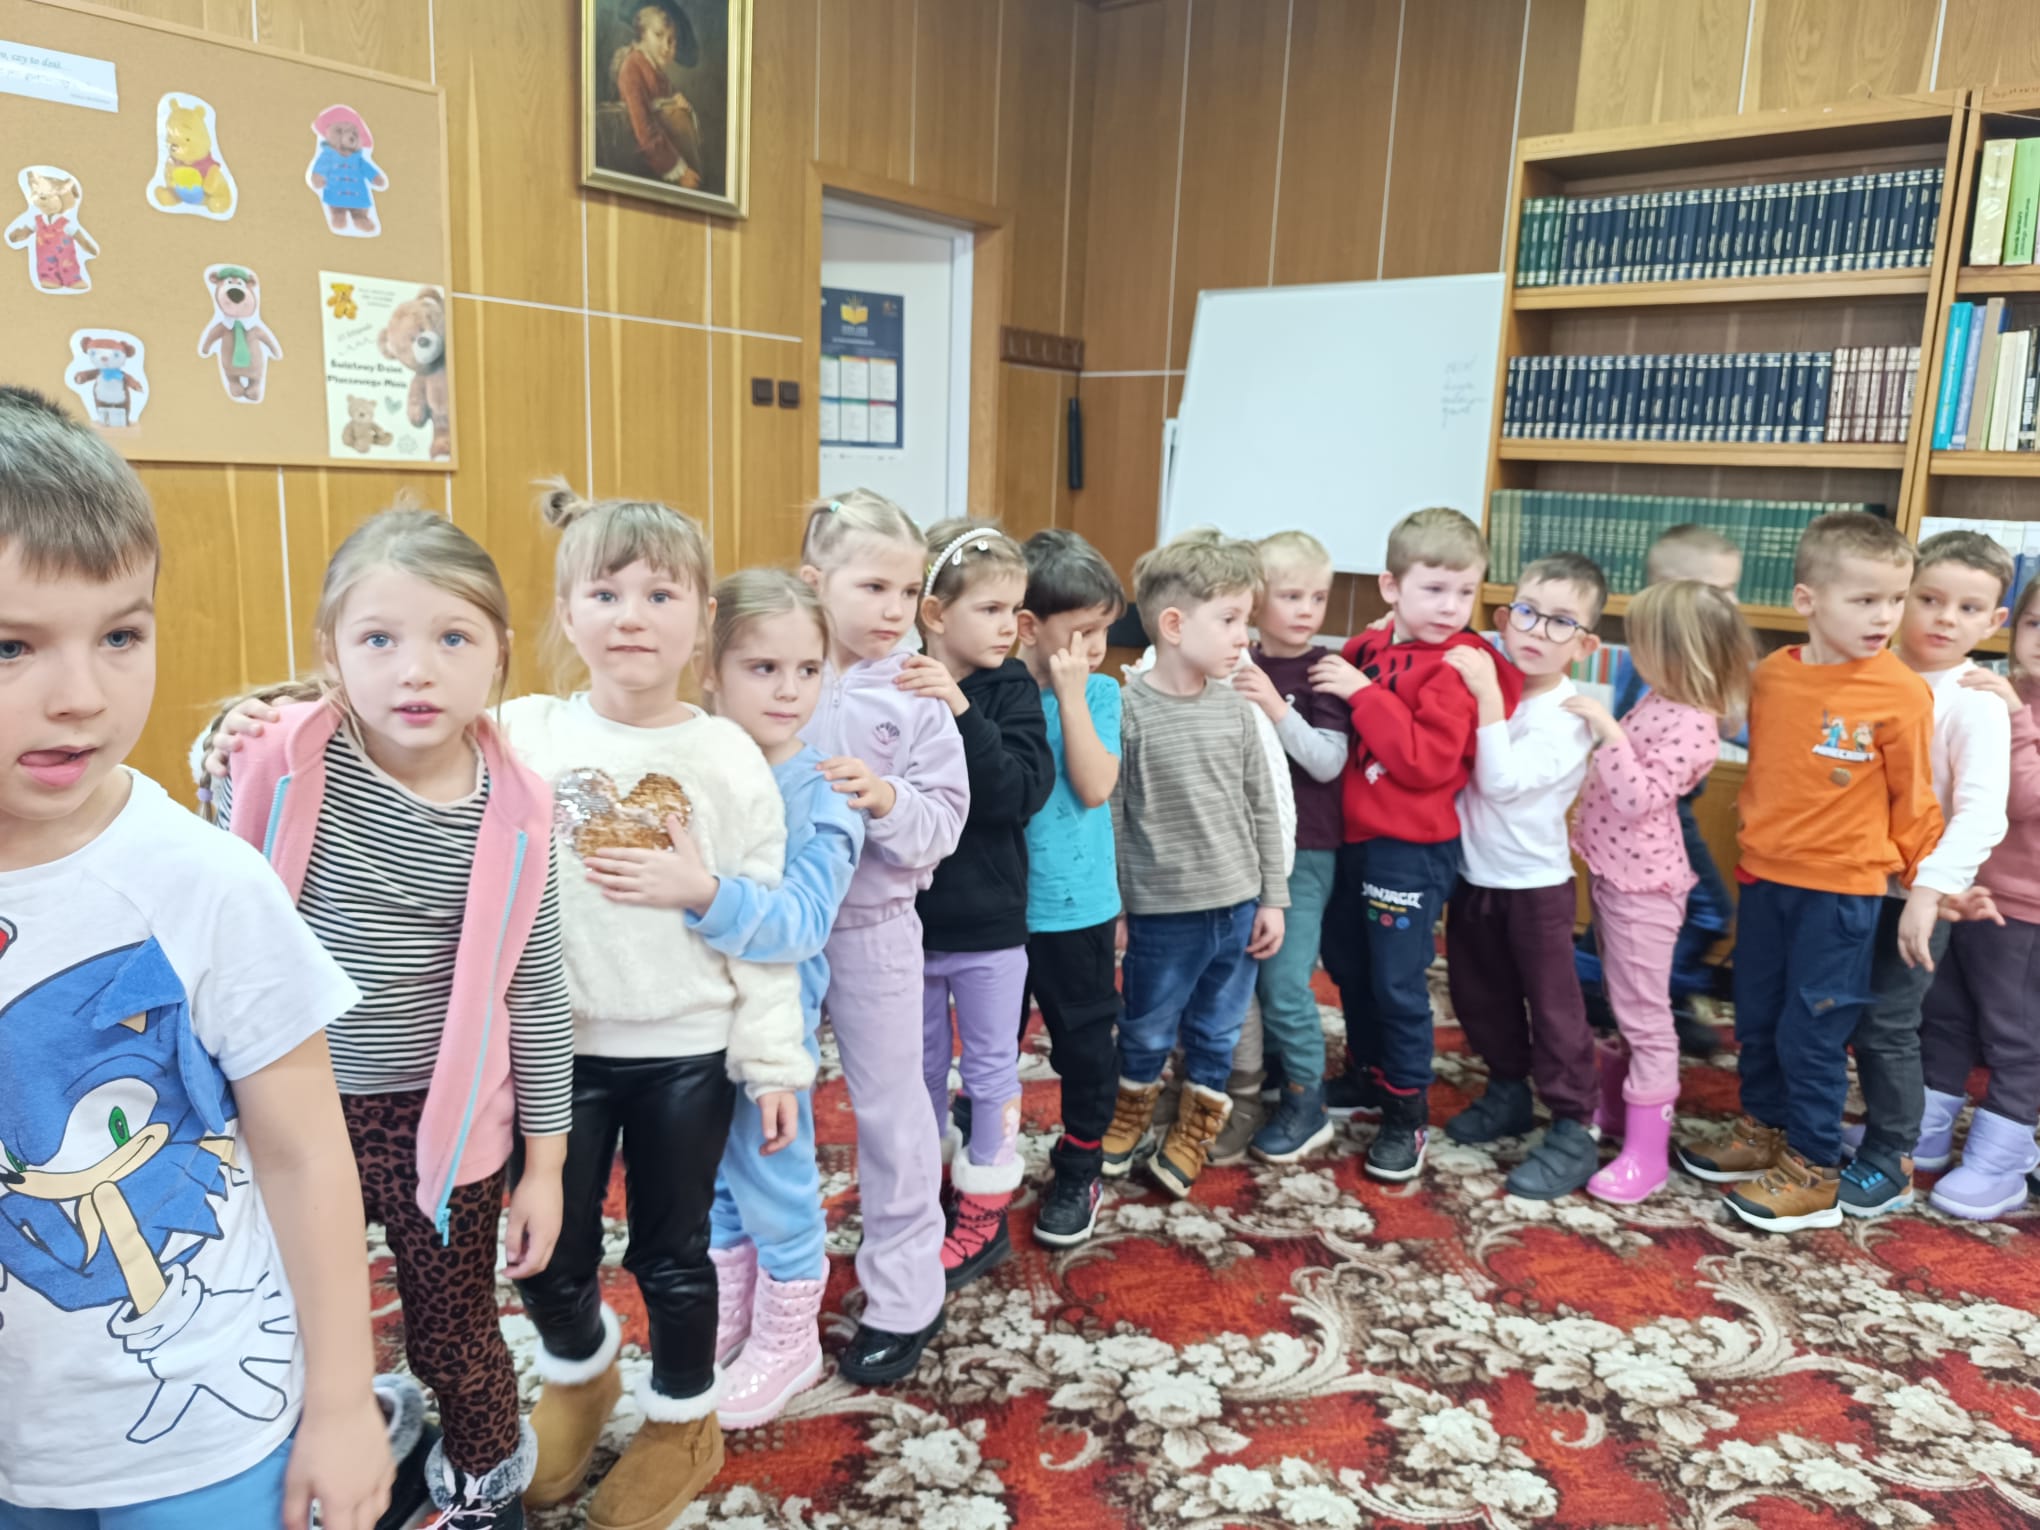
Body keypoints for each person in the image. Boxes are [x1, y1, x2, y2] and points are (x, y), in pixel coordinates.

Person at [0, 386, 390, 1530]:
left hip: (201, 1428)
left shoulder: (205, 884)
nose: (81, 698)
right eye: (9, 646)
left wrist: (342, 1405)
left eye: (121, 635)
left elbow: (305, 1157)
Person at [212, 509, 572, 1530]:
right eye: (378, 639)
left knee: (453, 1336)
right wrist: (222, 747)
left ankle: (486, 1489)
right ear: (330, 653)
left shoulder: (520, 811)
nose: (416, 670)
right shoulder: (281, 761)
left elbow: (539, 992)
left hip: (442, 1122)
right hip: (292, 1108)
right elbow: (208, 890)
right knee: (288, 1316)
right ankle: (333, 1455)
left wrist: (545, 1167)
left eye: (453, 637)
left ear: (500, 654)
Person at [499, 487, 806, 1529]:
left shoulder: (727, 757)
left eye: (660, 594)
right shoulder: (521, 733)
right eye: (605, 593)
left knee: (673, 1253)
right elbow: (399, 744)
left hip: (685, 1049)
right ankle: (579, 1374)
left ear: (702, 618)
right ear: (566, 611)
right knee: (549, 1247)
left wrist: (774, 1062)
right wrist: (259, 723)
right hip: (553, 1051)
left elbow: (762, 923)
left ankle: (683, 1419)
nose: (631, 615)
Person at [1677, 512, 1942, 1233]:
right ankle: (1763, 1128)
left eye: (1896, 599)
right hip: (1765, 881)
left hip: (1843, 894)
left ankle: (1815, 1169)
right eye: (1865, 600)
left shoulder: (1901, 692)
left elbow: (1915, 801)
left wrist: (1930, 887)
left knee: (1813, 1030)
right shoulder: (1772, 675)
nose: (1885, 616)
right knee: (1757, 1015)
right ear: (1807, 600)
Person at [672, 570, 863, 1426]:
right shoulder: (690, 761)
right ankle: (733, 1307)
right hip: (684, 1018)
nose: (790, 691)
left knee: (773, 1172)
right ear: (710, 669)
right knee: (712, 1171)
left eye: (808, 670)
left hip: (769, 1032)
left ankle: (791, 1338)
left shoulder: (825, 788)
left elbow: (801, 924)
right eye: (763, 668)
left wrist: (702, 892)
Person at [799, 490, 969, 1385]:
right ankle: (778, 1286)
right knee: (766, 1107)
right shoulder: (764, 672)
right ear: (813, 582)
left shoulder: (916, 694)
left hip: (876, 930)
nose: (895, 611)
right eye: (873, 587)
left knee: (893, 1112)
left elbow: (944, 822)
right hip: (774, 931)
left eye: (909, 592)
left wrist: (887, 798)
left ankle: (904, 1296)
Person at [1312, 507, 1524, 1181]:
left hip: (1410, 850)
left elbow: (1425, 763)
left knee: (1397, 982)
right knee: (1349, 966)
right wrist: (1368, 653)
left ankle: (1408, 1113)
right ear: (1391, 587)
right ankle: (1369, 1073)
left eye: (1465, 592)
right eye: (1433, 589)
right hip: (1352, 841)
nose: (1451, 607)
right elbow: (1358, 661)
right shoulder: (1373, 647)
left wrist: (1363, 693)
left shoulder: (1459, 667)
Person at [1100, 529, 1289, 1198]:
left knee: (1217, 1030)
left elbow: (1263, 809)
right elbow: (1113, 815)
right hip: (1161, 915)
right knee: (1146, 1026)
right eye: (1230, 620)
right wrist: (1117, 906)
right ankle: (1130, 1113)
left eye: (1246, 620)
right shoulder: (1126, 711)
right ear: (1175, 625)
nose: (1245, 637)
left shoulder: (1237, 712)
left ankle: (1195, 1127)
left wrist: (1273, 898)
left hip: (1236, 909)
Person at [1837, 531, 2013, 1218]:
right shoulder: (1864, 671)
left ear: (1994, 621)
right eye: (1930, 600)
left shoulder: (1974, 700)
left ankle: (1892, 1158)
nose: (1945, 619)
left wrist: (1929, 892)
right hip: (1840, 879)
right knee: (1828, 1012)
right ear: (1899, 599)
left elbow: (1980, 812)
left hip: (1914, 894)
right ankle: (1819, 1131)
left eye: (1968, 609)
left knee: (1887, 1023)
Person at [1568, 581, 1756, 1204]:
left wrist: (1607, 733)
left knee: (1647, 1019)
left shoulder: (1695, 725)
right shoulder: (1660, 697)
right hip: (1616, 874)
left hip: (1645, 888)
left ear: (1679, 652)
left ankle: (1646, 1155)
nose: (1630, 654)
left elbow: (1640, 797)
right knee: (1625, 1006)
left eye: (1641, 643)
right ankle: (1618, 1113)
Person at [908, 521, 1053, 1288]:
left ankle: (983, 1211)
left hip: (991, 928)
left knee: (993, 1072)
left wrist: (961, 710)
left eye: (1016, 611)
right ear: (935, 614)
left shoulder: (1011, 689)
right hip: (908, 925)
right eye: (991, 610)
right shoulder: (894, 680)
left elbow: (1016, 795)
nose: (1010, 627)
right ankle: (922, 1191)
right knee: (920, 1070)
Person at [1441, 553, 1606, 1199]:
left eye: (1561, 622)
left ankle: (1574, 1124)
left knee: (1554, 1007)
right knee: (1479, 994)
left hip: (1535, 887)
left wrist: (1486, 697)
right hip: (1473, 875)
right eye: (1528, 613)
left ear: (1585, 645)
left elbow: (1501, 782)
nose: (1538, 631)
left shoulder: (1570, 713)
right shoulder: (1495, 676)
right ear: (1505, 619)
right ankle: (1508, 1089)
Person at [1575, 523, 1745, 1057]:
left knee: (1622, 910)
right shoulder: (1666, 668)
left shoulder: (1656, 658)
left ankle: (1593, 979)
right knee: (1708, 911)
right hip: (1658, 817)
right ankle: (1662, 996)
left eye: (1733, 591)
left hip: (1648, 814)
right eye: (1718, 592)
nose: (1732, 605)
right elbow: (1722, 724)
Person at [1012, 530, 1127, 1246]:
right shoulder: (992, 691)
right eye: (1082, 633)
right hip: (1000, 909)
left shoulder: (1101, 693)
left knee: (1084, 1044)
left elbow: (1092, 785)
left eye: (1105, 630)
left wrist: (1072, 694)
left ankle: (1081, 1160)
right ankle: (982, 1150)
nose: (1097, 648)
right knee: (992, 1042)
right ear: (1028, 627)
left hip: (1077, 908)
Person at [1914, 573, 2040, 1219]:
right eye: (2036, 623)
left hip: (2027, 907)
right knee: (1943, 1013)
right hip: (1966, 890)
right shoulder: (1996, 688)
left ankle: (2003, 1159)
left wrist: (2015, 718)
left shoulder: (2009, 705)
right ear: (2012, 625)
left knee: (2014, 1033)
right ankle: (1926, 1131)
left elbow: (2026, 800)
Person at [1230, 531, 1351, 1165]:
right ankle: (1268, 1073)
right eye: (1292, 596)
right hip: (1242, 847)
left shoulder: (1324, 671)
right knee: (1243, 973)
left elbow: (1328, 762)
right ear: (1256, 602)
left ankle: (1309, 1101)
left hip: (1306, 851)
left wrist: (1278, 708)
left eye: (1319, 597)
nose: (1308, 610)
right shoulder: (1236, 660)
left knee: (1283, 981)